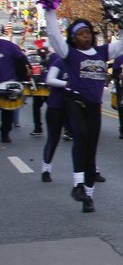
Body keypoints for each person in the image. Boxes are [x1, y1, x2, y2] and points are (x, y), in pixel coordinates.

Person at [44, 11, 123, 211]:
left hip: (94, 105)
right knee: (81, 136)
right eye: (81, 34)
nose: (85, 37)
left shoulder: (102, 52)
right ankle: (77, 184)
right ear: (74, 38)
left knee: (91, 149)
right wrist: (49, 10)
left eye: (88, 33)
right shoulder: (69, 53)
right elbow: (53, 36)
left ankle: (88, 197)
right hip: (74, 101)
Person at [40, 53, 69, 182]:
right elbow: (49, 79)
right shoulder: (59, 61)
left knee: (84, 139)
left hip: (75, 107)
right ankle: (46, 169)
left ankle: (93, 169)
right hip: (56, 106)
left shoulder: (82, 62)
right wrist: (68, 83)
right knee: (53, 138)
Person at [0, 36, 30, 143]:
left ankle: (5, 133)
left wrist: (27, 70)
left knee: (8, 109)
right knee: (7, 110)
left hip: (7, 83)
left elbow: (22, 59)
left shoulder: (9, 45)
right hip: (8, 81)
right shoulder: (9, 45)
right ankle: (5, 134)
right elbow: (22, 59)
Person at [27, 43, 49, 138]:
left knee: (57, 108)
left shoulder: (51, 60)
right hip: (41, 87)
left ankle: (38, 128)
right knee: (37, 107)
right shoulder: (39, 63)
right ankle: (37, 128)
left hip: (45, 87)